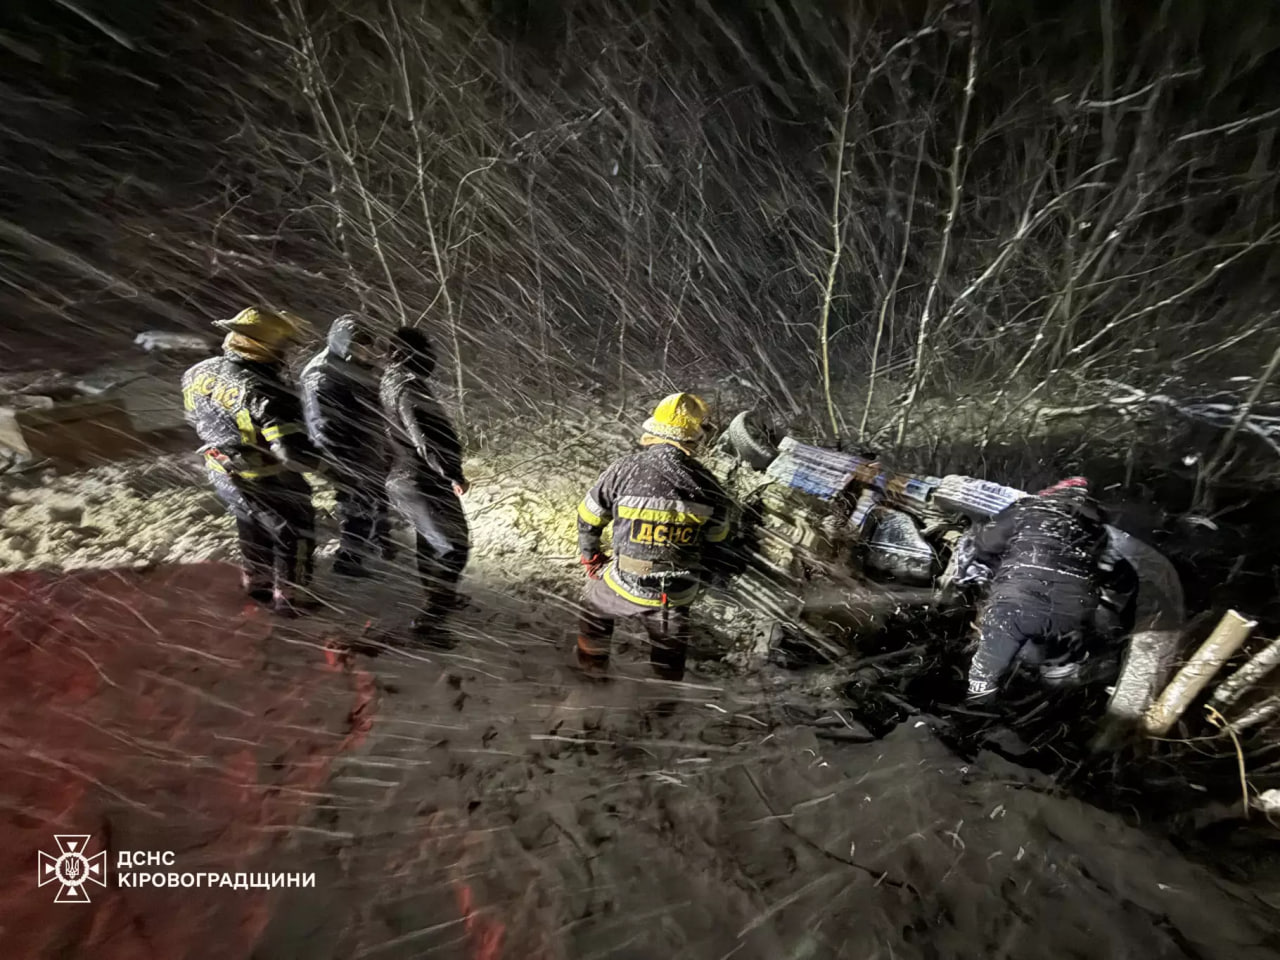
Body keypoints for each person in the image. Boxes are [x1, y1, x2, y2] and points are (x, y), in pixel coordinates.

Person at [575, 392, 733, 682]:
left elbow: (588, 518)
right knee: (670, 652)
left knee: (594, 608)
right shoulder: (708, 483)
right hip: (673, 593)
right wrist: (707, 580)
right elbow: (718, 541)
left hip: (623, 582)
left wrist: (591, 557)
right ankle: (664, 701)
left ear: (654, 430)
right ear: (693, 437)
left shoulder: (624, 470)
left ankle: (592, 674)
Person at [181, 306, 325, 616]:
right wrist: (331, 467)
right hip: (265, 473)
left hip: (220, 468)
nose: (285, 352)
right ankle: (291, 598)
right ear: (266, 347)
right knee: (296, 530)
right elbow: (291, 451)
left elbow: (194, 417)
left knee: (249, 519)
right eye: (283, 346)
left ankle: (257, 580)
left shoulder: (197, 372)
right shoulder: (265, 389)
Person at [964, 477, 1128, 700]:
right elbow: (1108, 570)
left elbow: (986, 544)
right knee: (1056, 635)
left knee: (985, 672)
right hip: (1074, 610)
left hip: (1017, 607)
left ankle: (979, 705)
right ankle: (1058, 677)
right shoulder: (1098, 525)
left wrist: (996, 566)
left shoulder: (1027, 507)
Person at [380, 327, 470, 632]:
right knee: (454, 546)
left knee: (431, 541)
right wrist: (451, 472)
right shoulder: (408, 388)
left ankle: (437, 597)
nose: (432, 357)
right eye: (427, 351)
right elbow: (426, 436)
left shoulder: (388, 380)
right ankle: (431, 620)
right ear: (410, 355)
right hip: (420, 477)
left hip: (402, 477)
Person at [300, 314, 392, 577]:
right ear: (342, 342)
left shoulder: (351, 365)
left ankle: (378, 542)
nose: (364, 351)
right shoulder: (321, 374)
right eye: (358, 345)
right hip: (347, 450)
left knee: (376, 497)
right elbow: (321, 421)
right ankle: (349, 560)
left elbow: (372, 399)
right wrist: (340, 458)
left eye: (366, 345)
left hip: (369, 443)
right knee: (355, 504)